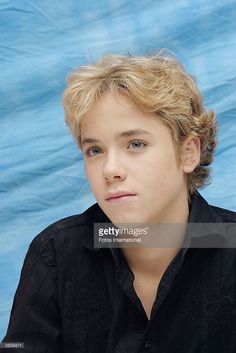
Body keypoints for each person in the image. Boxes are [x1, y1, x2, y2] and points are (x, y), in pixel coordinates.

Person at [2, 52, 236, 353]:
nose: (111, 170)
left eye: (135, 144)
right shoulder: (56, 255)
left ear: (188, 152)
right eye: (95, 151)